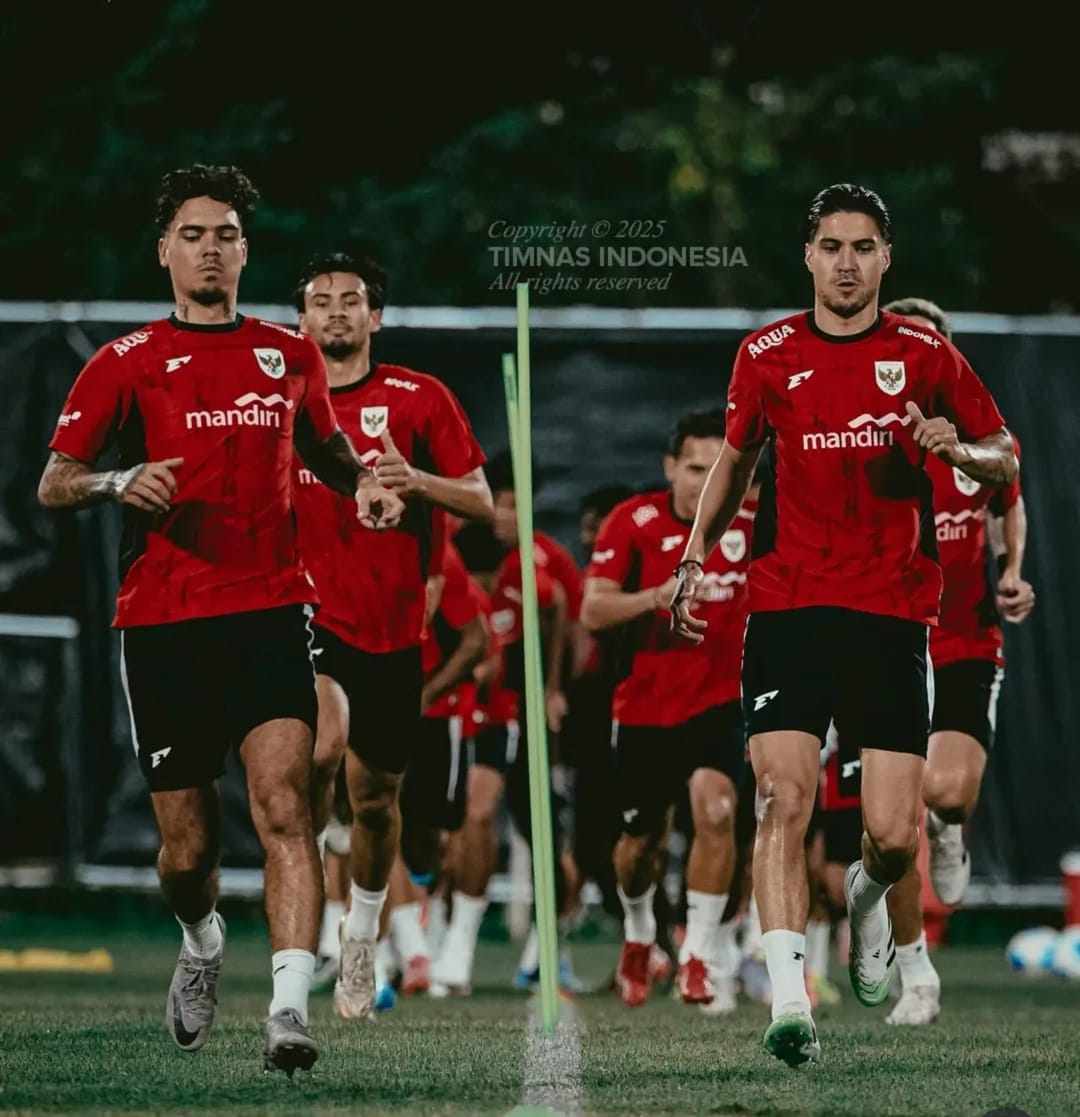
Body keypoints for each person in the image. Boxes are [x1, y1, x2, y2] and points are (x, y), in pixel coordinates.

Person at [36, 165, 403, 1074]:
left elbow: (327, 444)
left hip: (271, 611)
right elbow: (55, 481)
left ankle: (288, 1009)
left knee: (286, 804)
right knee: (186, 848)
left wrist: (367, 485)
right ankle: (201, 942)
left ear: (245, 250)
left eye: (227, 234)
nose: (211, 248)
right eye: (193, 234)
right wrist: (120, 479)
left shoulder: (289, 355)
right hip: (163, 623)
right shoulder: (124, 361)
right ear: (165, 250)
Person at [670, 183, 1018, 1066]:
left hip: (892, 615)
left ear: (886, 257)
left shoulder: (925, 352)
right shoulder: (767, 353)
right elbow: (737, 460)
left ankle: (867, 904)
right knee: (780, 798)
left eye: (864, 247)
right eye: (832, 246)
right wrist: (695, 554)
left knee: (895, 838)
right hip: (788, 605)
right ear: (810, 256)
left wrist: (955, 448)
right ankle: (790, 1000)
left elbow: (1003, 455)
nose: (848, 262)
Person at [289, 250, 492, 1021]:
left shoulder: (419, 398)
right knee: (317, 743)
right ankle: (298, 913)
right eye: (320, 300)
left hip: (393, 633)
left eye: (352, 300)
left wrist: (415, 482)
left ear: (376, 317)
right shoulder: (281, 400)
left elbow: (477, 498)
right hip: (306, 616)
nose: (336, 311)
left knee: (377, 804)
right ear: (300, 319)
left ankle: (363, 931)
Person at [878, 297, 1034, 1025]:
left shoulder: (980, 442)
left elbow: (1009, 497)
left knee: (945, 795)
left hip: (966, 639)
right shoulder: (864, 438)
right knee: (889, 821)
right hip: (892, 639)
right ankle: (917, 978)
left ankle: (953, 828)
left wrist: (1012, 569)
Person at [582, 409, 757, 1013]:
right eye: (692, 468)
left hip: (720, 703)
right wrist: (652, 598)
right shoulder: (632, 521)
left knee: (718, 812)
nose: (702, 481)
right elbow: (592, 611)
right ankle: (638, 935)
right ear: (669, 468)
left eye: (717, 470)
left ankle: (700, 953)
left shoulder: (754, 522)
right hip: (645, 709)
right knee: (640, 847)